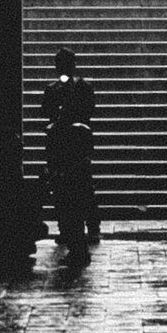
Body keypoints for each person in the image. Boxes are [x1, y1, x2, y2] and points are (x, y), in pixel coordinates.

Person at [43, 47, 98, 245]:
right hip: (60, 144)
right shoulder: (52, 89)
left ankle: (92, 226)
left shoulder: (84, 88)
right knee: (61, 189)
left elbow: (87, 112)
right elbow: (47, 113)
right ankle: (66, 228)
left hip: (77, 143)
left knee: (84, 186)